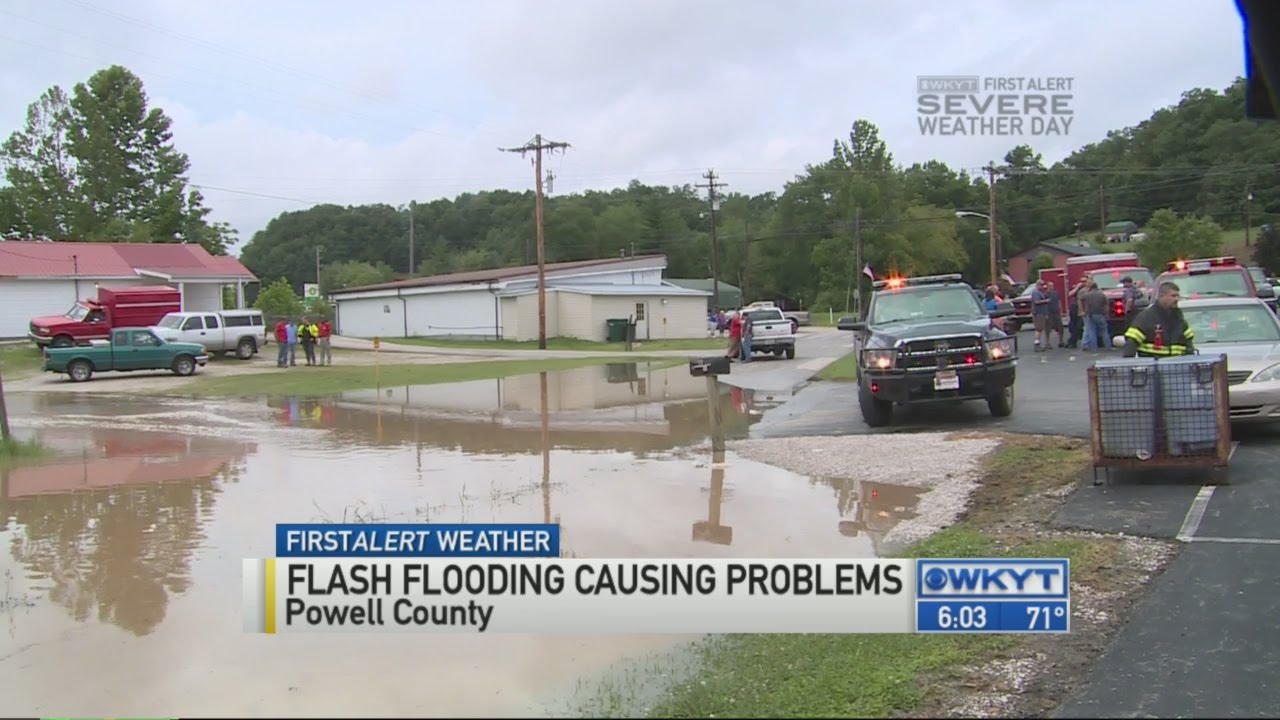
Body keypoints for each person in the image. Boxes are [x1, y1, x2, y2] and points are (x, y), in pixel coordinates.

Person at [1122, 282, 1195, 357]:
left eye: (1178, 296)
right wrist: (1130, 365)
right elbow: (1131, 344)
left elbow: (1189, 346)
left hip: (1177, 367)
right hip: (1152, 366)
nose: (1177, 299)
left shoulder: (1179, 320)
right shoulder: (1145, 318)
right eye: (1173, 296)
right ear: (1161, 296)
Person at [1080, 281, 1110, 351]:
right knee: (1104, 331)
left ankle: (1094, 348)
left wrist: (1083, 310)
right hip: (1101, 314)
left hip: (1090, 315)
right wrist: (1107, 314)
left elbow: (1081, 299)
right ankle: (1108, 347)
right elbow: (1106, 305)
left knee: (1091, 331)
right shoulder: (1102, 294)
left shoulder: (1087, 295)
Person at [1030, 280, 1054, 351]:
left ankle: (1038, 344)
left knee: (1040, 329)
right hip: (1038, 313)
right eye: (1041, 285)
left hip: (1042, 313)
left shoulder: (1040, 292)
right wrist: (1046, 301)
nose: (1043, 286)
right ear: (1038, 285)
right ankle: (1036, 345)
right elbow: (1036, 301)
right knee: (1038, 329)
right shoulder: (1035, 292)